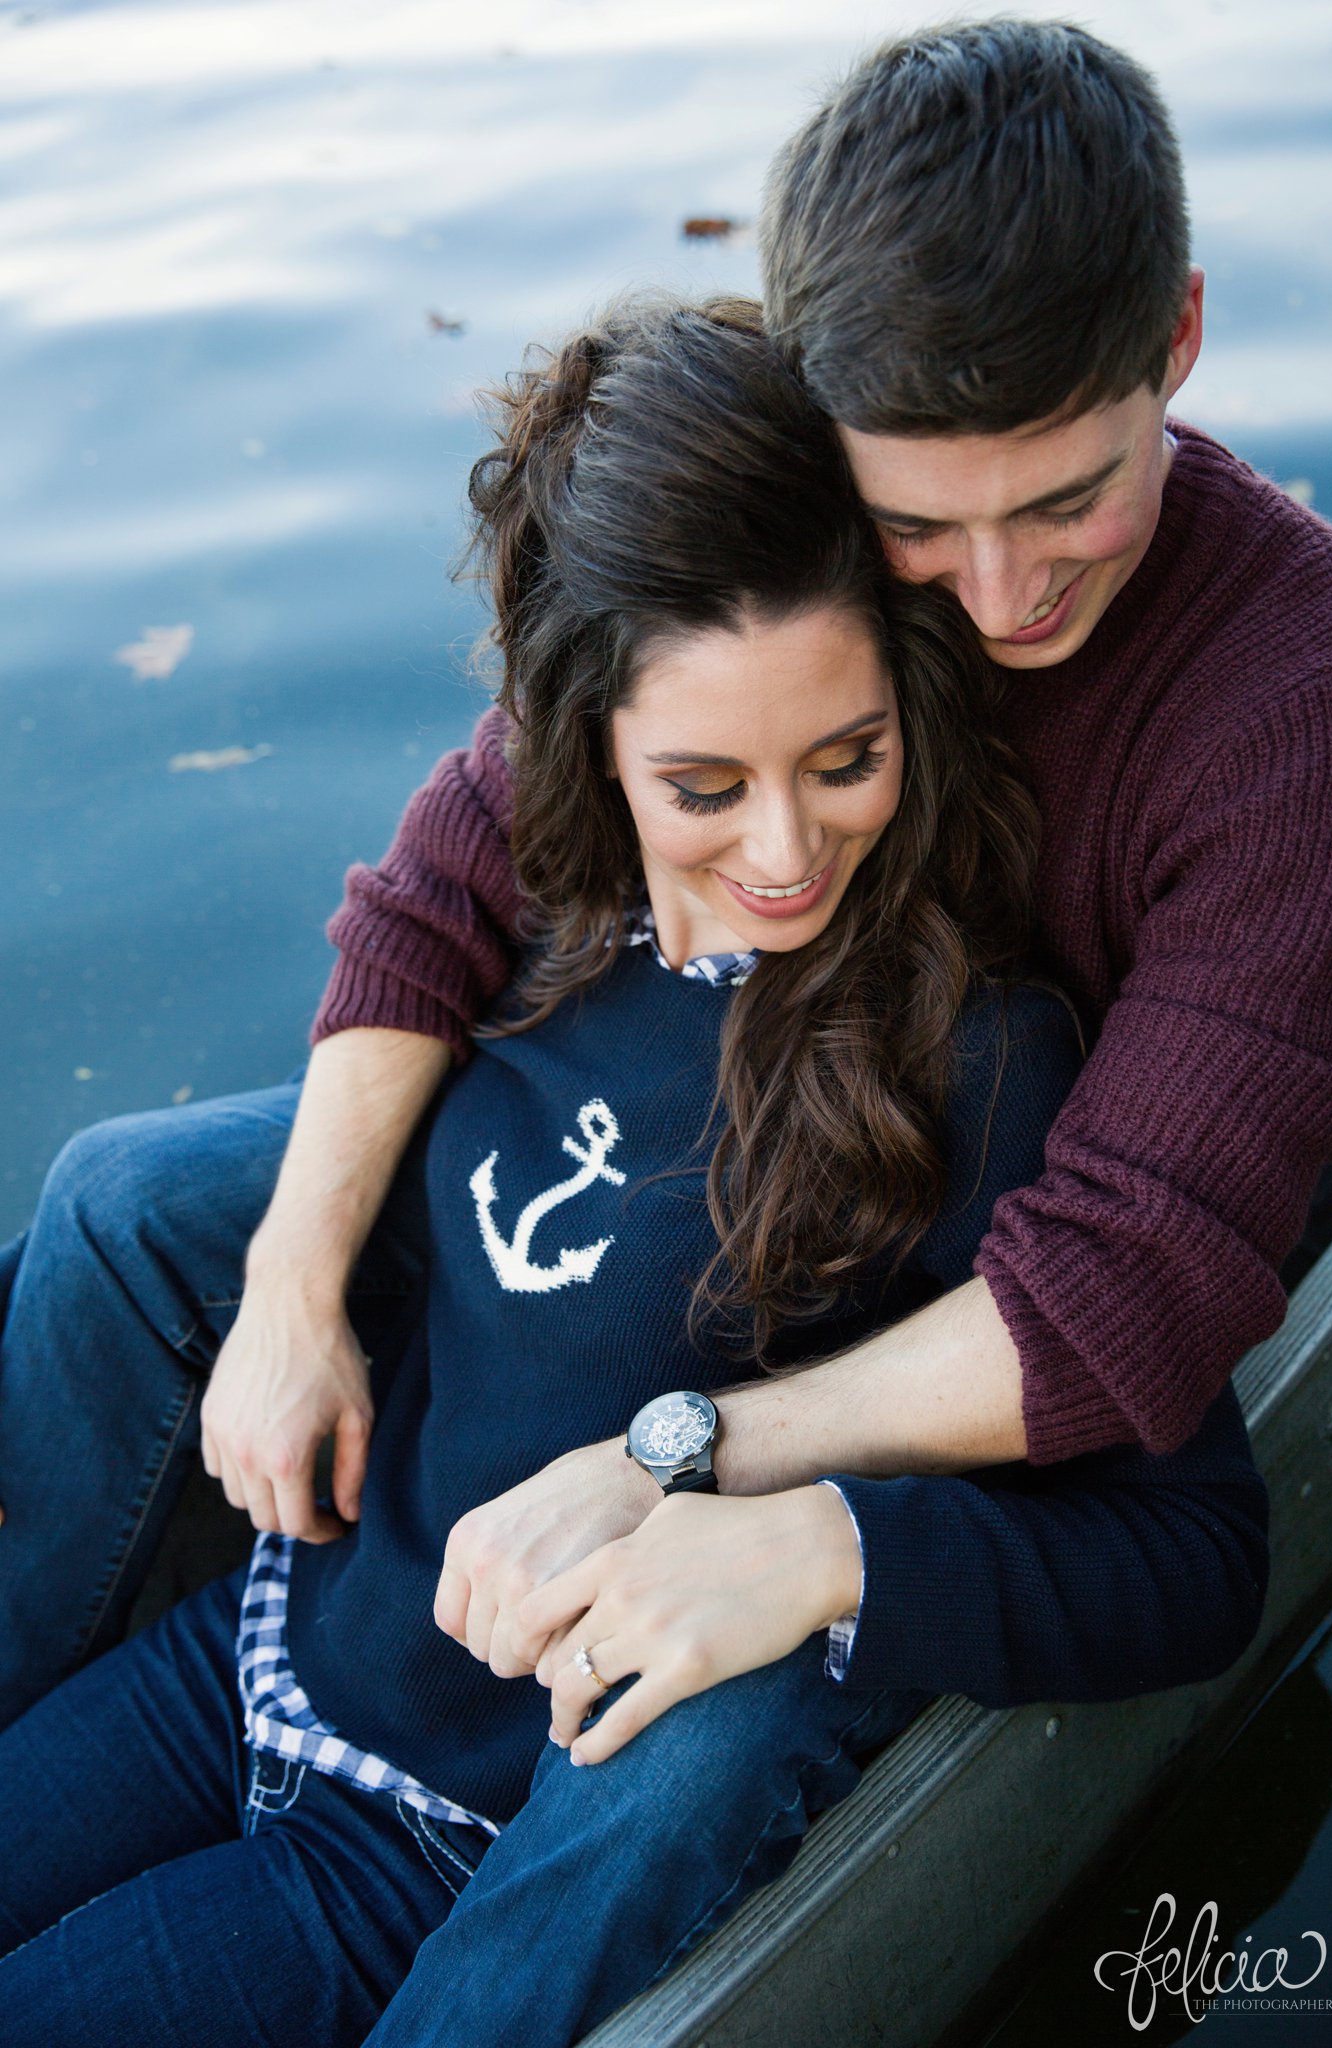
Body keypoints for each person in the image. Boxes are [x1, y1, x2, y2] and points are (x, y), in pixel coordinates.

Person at [0, 299, 1267, 2048]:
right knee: (112, 1198)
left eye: (847, 760)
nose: (781, 848)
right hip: (259, 1648)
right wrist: (293, 1293)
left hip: (434, 1854)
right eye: (701, 783)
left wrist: (833, 1543)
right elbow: (400, 935)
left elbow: (1193, 1554)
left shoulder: (974, 1068)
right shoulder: (531, 909)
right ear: (581, 734)